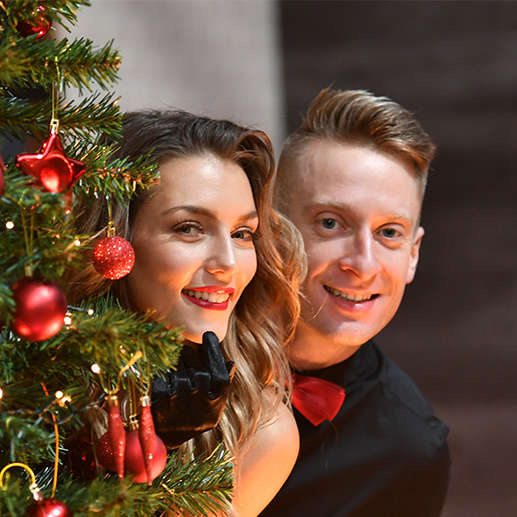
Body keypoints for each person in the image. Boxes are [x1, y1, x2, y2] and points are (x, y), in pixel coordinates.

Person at [67, 110, 305, 516]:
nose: (227, 263)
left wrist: (163, 455)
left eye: (242, 233)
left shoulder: (261, 430)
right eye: (189, 228)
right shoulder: (31, 369)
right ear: (114, 240)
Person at [261, 88, 450, 516]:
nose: (363, 264)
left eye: (389, 233)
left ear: (413, 256)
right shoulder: (172, 341)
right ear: (273, 229)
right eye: (331, 223)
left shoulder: (410, 450)